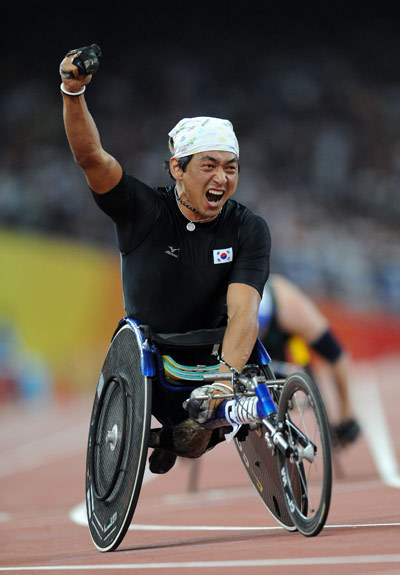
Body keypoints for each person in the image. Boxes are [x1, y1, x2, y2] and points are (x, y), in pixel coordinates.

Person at [59, 47, 271, 473]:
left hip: (215, 357)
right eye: (209, 165)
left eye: (231, 168)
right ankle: (165, 436)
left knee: (195, 441)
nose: (222, 178)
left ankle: (174, 439)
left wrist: (224, 380)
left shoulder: (248, 228)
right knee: (189, 435)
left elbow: (244, 313)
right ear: (177, 168)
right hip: (154, 364)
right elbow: (91, 158)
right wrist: (72, 91)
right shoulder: (142, 210)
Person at [258, 273, 360, 447]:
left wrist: (346, 414)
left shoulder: (289, 304)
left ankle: (347, 419)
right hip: (252, 332)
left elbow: (338, 358)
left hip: (281, 311)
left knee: (333, 354)